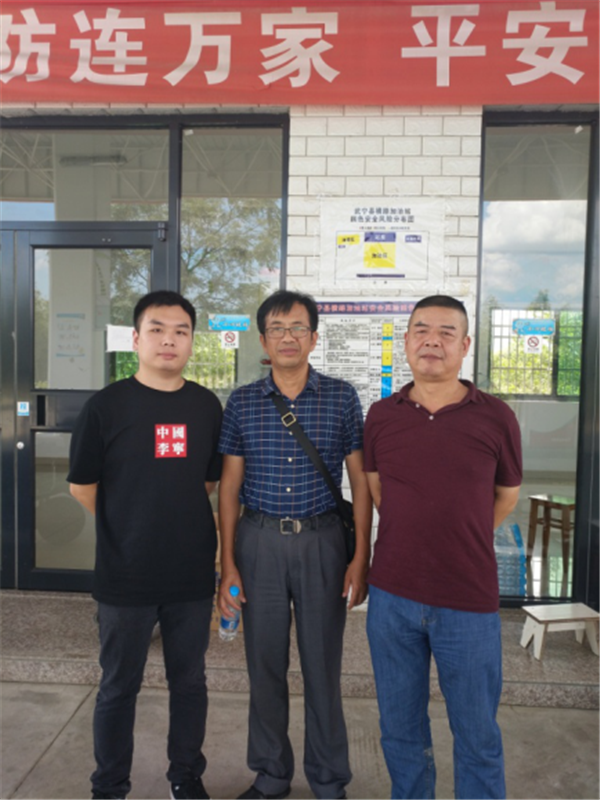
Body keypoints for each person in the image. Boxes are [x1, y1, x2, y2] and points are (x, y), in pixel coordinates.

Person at [364, 295, 522, 800]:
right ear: (406, 341)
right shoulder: (381, 415)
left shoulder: (496, 416)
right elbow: (378, 490)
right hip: (392, 597)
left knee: (477, 733)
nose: (432, 341)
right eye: (421, 330)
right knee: (400, 729)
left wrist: (461, 534)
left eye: (446, 332)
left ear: (465, 345)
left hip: (468, 599)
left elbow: (507, 495)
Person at [68, 290, 223, 800]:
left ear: (192, 342)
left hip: (190, 576)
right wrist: (129, 524)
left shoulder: (206, 406)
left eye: (180, 331)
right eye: (157, 329)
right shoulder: (105, 406)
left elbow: (206, 482)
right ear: (136, 339)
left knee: (190, 683)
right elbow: (82, 487)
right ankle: (109, 786)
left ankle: (186, 776)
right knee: (118, 687)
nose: (168, 340)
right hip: (124, 575)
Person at [218, 290, 372, 800]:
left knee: (322, 666)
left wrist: (361, 557)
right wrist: (227, 564)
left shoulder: (342, 397)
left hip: (323, 544)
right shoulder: (242, 402)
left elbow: (360, 482)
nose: (288, 337)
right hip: (258, 543)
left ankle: (328, 779)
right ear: (263, 340)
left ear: (314, 337)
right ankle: (271, 775)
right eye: (277, 329)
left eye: (298, 327)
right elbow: (230, 488)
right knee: (264, 666)